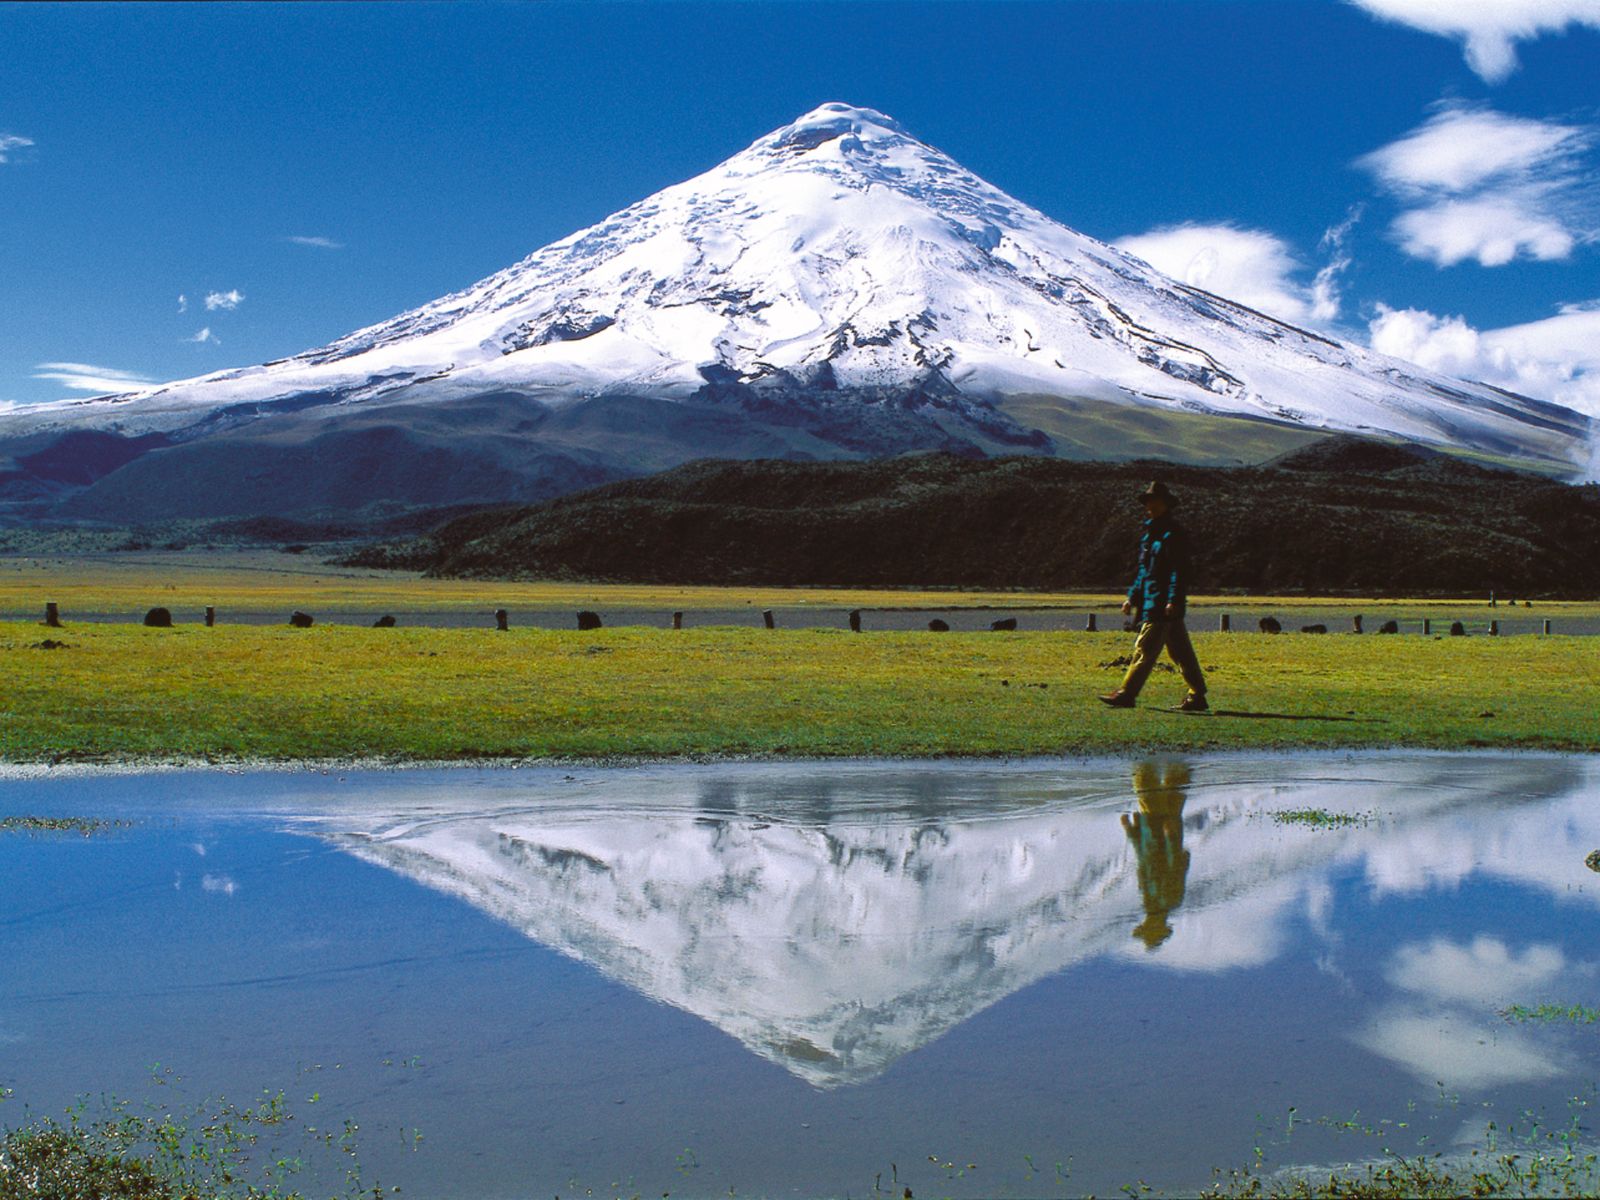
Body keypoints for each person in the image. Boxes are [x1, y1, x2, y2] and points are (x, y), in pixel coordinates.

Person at [1099, 480, 1209, 712]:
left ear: (1165, 505)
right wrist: (1132, 597)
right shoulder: (1151, 536)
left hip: (1161, 604)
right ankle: (1197, 694)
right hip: (1154, 601)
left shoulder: (1172, 535)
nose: (1150, 506)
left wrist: (1173, 599)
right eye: (1149, 502)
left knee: (1144, 648)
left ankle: (1127, 693)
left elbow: (1178, 571)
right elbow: (1144, 572)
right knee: (1181, 652)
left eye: (1155, 502)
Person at [1121, 761, 1191, 950]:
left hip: (1152, 830)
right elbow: (1174, 864)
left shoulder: (1149, 899)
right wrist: (1170, 838)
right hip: (1162, 832)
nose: (1146, 922)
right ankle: (1167, 757)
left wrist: (1131, 831)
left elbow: (1143, 860)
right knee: (1149, 784)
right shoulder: (1170, 898)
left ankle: (1176, 758)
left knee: (1171, 788)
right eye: (1149, 926)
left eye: (1146, 926)